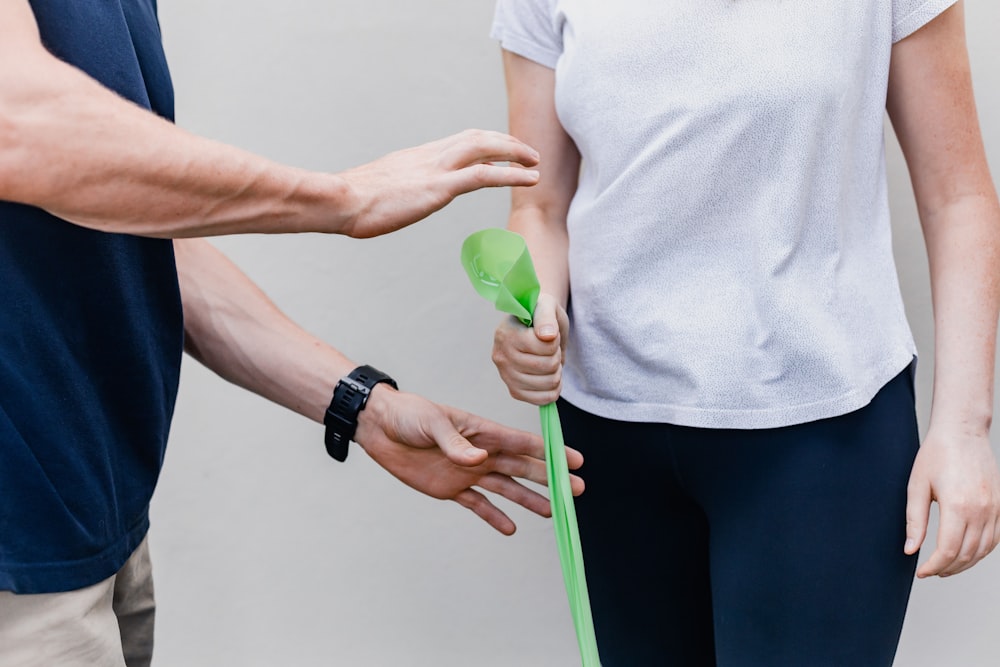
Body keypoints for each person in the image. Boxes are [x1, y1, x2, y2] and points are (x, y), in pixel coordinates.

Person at [0, 1, 586, 665]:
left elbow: (134, 236)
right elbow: (21, 130)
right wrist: (341, 198)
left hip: (96, 516)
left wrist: (359, 402)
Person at [489, 0, 1000, 664]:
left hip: (825, 437)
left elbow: (957, 194)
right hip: (610, 443)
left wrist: (963, 427)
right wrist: (531, 312)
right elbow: (539, 204)